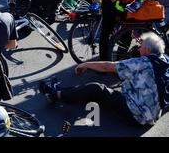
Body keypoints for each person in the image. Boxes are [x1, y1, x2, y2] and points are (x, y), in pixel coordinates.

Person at [39, 32, 169, 126]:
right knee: (116, 88)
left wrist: (86, 64)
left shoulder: (143, 63)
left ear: (146, 49)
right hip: (152, 114)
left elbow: (107, 66)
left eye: (141, 46)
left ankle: (55, 94)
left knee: (96, 89)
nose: (139, 48)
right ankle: (64, 90)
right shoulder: (164, 60)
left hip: (137, 115)